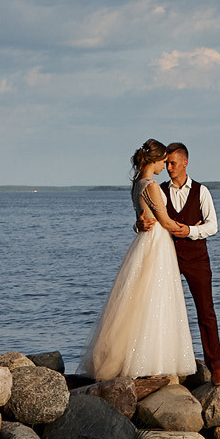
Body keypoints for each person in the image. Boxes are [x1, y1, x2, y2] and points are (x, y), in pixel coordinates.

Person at [79, 140, 197, 381]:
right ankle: (150, 360)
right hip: (156, 243)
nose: (165, 165)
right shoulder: (152, 186)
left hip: (144, 242)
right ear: (154, 161)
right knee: (156, 299)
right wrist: (188, 229)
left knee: (138, 300)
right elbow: (163, 220)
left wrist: (138, 224)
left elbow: (142, 216)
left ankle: (135, 356)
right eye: (163, 161)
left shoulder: (136, 185)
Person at [150, 142, 220, 383]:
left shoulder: (201, 191)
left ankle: (215, 365)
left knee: (206, 311)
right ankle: (162, 363)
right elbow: (148, 220)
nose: (168, 167)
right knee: (162, 310)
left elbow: (213, 226)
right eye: (166, 163)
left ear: (185, 163)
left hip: (197, 258)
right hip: (168, 257)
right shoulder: (159, 190)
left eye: (172, 163)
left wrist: (190, 230)